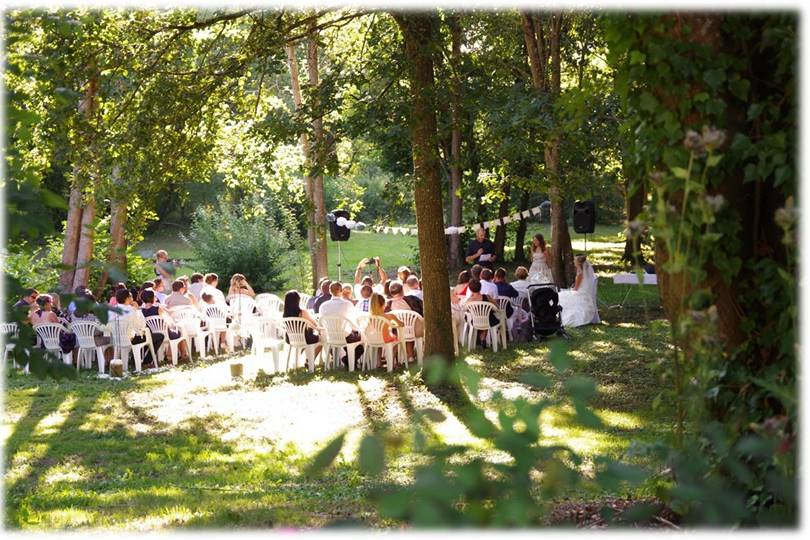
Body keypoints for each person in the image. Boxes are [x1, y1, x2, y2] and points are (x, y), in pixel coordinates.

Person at [108, 288, 156, 368]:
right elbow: (142, 326)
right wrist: (138, 310)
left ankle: (137, 360)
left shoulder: (111, 311)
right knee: (157, 336)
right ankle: (145, 361)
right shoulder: (132, 310)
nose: (132, 298)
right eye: (131, 296)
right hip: (130, 339)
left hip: (116, 339)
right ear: (127, 298)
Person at [140, 289, 188, 363]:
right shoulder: (158, 308)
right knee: (179, 332)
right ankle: (181, 355)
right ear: (152, 298)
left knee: (175, 331)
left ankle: (171, 355)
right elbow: (168, 315)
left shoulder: (141, 310)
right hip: (165, 334)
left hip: (152, 335)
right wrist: (183, 308)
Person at [557, 255, 598, 328]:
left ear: (579, 263)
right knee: (562, 295)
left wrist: (571, 289)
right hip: (582, 291)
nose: (574, 262)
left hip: (580, 292)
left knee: (561, 296)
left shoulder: (580, 273)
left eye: (575, 260)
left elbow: (576, 288)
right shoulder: (580, 272)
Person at [461, 279, 500, 348]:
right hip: (488, 321)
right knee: (487, 317)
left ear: (470, 289)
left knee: (479, 317)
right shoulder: (487, 296)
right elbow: (497, 306)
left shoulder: (470, 300)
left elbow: (465, 309)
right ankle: (483, 337)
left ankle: (480, 338)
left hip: (475, 321)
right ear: (480, 287)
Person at [282, 290, 322, 357]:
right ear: (297, 301)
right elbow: (315, 325)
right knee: (323, 339)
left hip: (290, 339)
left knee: (310, 331)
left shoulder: (285, 314)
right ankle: (310, 358)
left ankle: (305, 352)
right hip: (304, 339)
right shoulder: (302, 312)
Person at [369, 292, 403, 368]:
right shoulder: (389, 316)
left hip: (373, 339)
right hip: (386, 338)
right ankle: (391, 363)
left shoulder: (369, 317)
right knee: (396, 340)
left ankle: (378, 362)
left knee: (379, 344)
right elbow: (401, 324)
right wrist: (395, 325)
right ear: (384, 304)